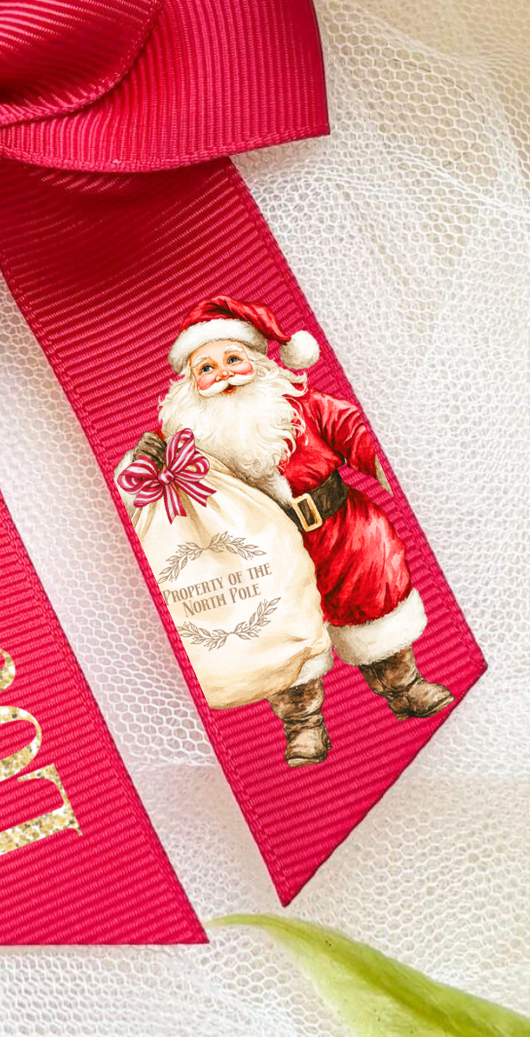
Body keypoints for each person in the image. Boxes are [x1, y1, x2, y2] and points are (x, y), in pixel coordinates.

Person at [145, 293, 453, 766]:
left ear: (259, 360)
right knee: (277, 632)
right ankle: (303, 725)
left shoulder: (302, 405)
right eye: (206, 369)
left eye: (232, 359)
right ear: (189, 383)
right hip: (260, 553)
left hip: (341, 529)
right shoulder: (190, 441)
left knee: (375, 604)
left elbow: (354, 431)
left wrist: (396, 465)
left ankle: (403, 686)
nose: (223, 373)